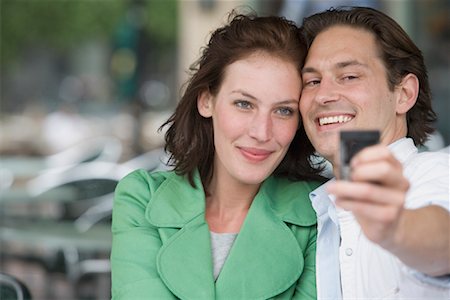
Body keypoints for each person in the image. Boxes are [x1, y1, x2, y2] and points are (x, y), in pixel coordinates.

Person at [110, 11, 325, 299]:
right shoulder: (141, 199)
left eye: (284, 110)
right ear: (206, 100)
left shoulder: (320, 211)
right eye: (244, 104)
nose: (262, 132)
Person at [299, 6, 450, 299]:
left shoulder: (439, 171)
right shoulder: (322, 208)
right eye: (312, 81)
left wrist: (396, 227)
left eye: (350, 76)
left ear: (404, 94)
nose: (324, 94)